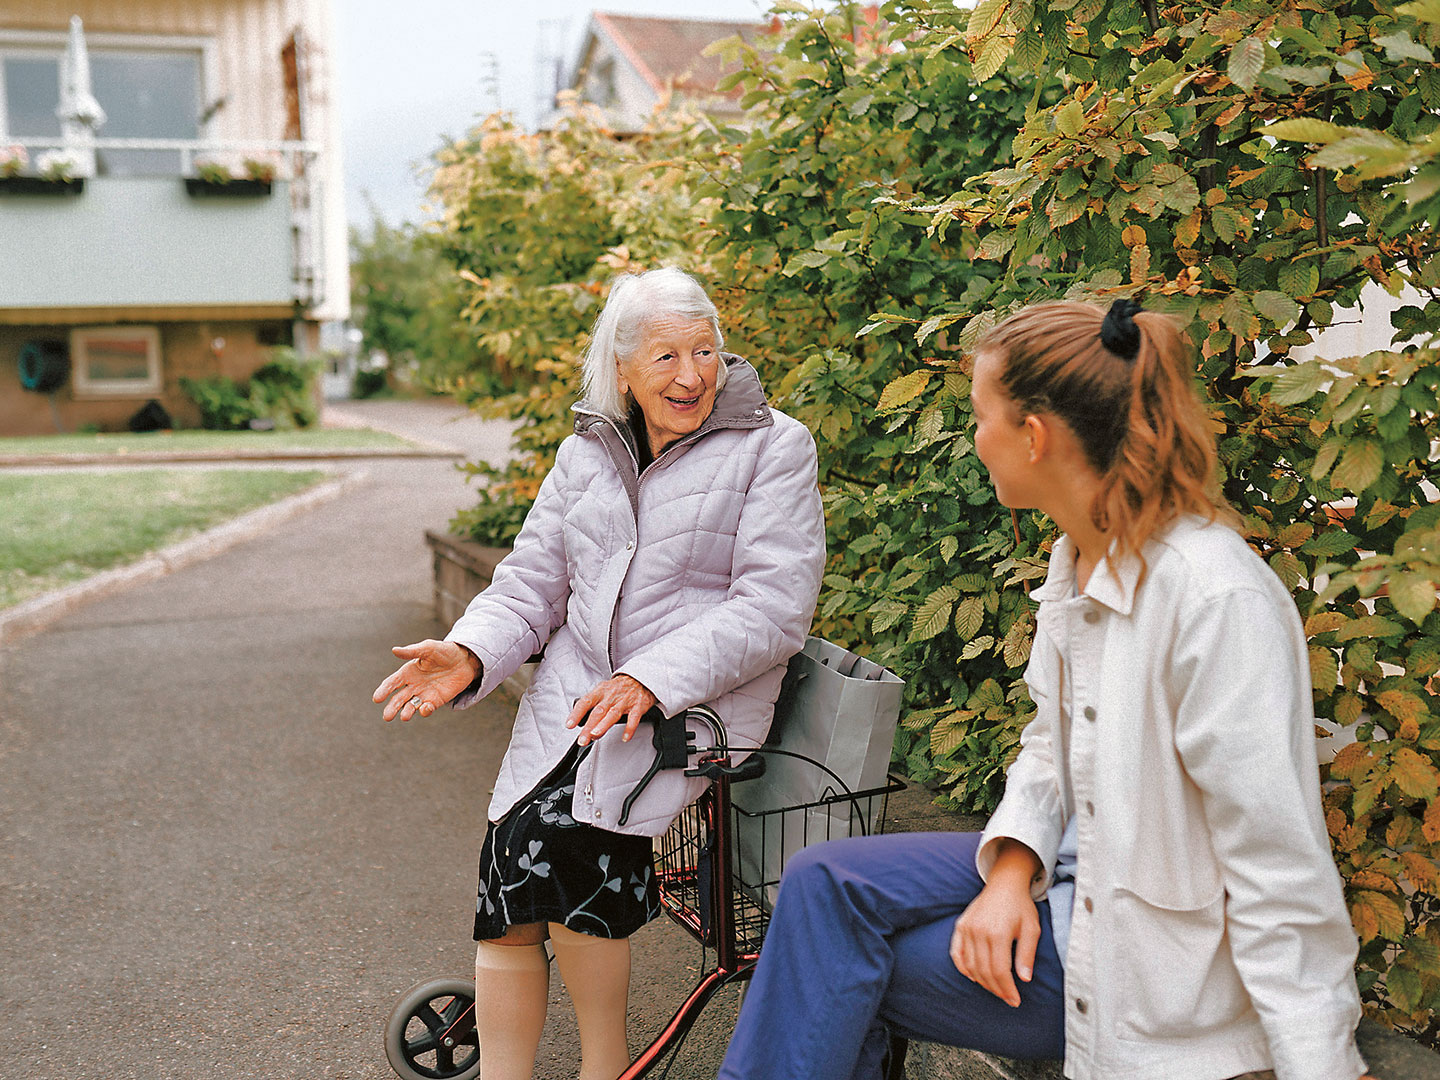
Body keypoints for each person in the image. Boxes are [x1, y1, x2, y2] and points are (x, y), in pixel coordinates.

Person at [717, 299, 1371, 1080]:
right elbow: (1051, 745)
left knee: (836, 969)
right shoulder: (1079, 558)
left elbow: (1278, 865)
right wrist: (1010, 871)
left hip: (1141, 959)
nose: (975, 439)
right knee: (822, 883)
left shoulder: (1213, 599)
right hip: (1073, 867)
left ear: (1034, 436)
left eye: (981, 417)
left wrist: (1322, 1064)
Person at [373, 266, 825, 1080]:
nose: (690, 375)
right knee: (507, 854)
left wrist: (650, 678)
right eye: (665, 357)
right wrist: (471, 652)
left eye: (705, 351)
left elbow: (775, 607)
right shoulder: (586, 453)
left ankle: (604, 1067)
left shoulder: (775, 446)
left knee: (563, 844)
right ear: (622, 369)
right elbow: (531, 585)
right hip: (580, 703)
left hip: (693, 710)